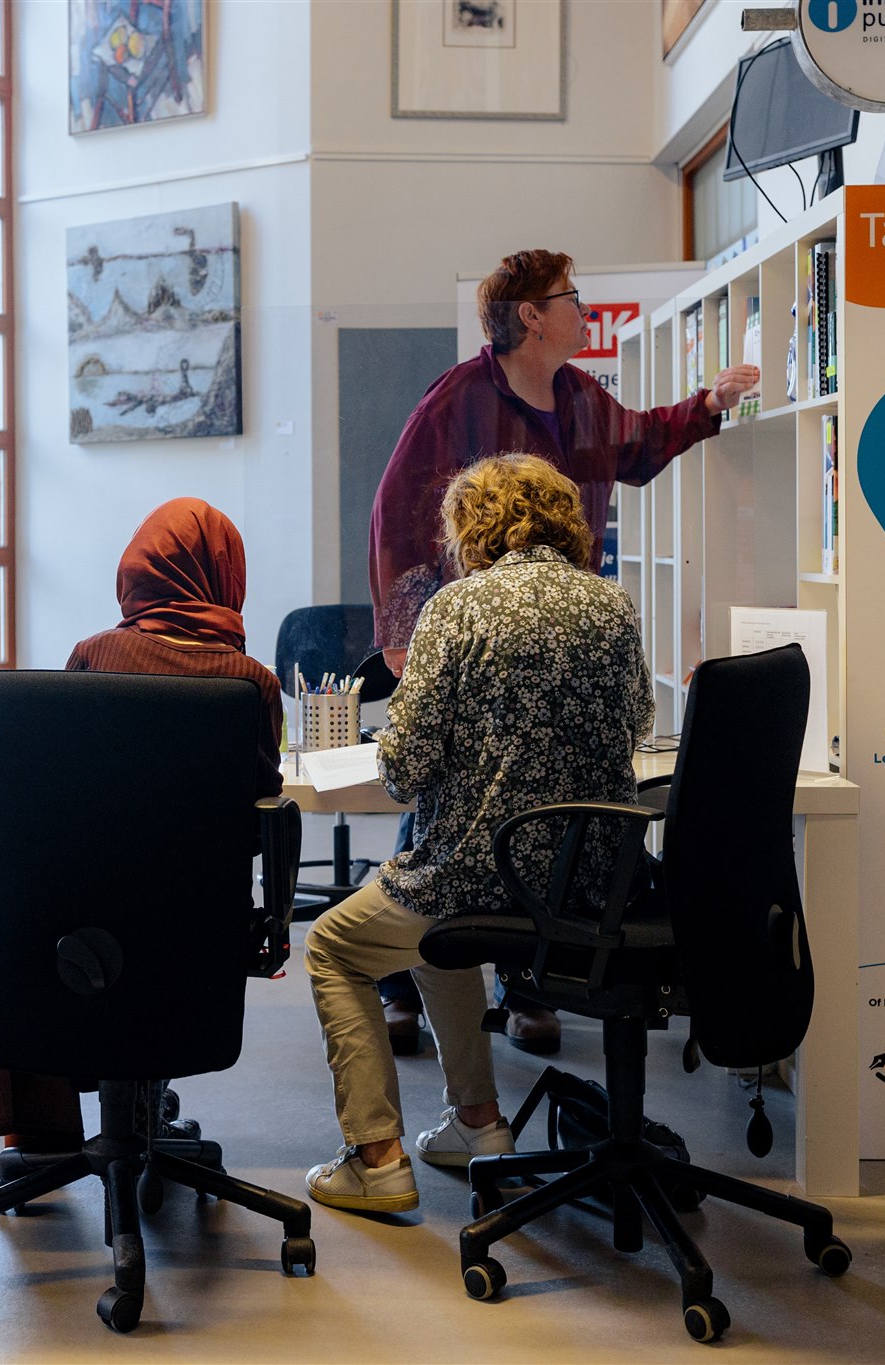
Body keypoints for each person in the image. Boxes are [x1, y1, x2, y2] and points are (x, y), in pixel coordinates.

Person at [368, 249, 757, 1056]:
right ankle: (406, 974)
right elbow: (399, 513)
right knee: (453, 794)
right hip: (474, 630)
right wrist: (418, 635)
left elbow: (641, 446)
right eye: (571, 299)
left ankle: (523, 980)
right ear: (531, 318)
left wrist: (711, 403)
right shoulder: (456, 402)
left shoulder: (579, 395)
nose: (585, 309)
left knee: (537, 793)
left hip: (557, 623)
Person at [305, 454, 655, 1214]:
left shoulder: (455, 611)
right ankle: (478, 1124)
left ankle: (376, 1157)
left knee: (335, 944)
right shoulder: (614, 607)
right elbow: (637, 729)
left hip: (476, 876)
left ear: (473, 530)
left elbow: (403, 768)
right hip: (589, 890)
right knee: (434, 939)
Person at [0, 496, 284, 1153]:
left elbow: (58, 794)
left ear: (136, 572)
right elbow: (257, 814)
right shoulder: (248, 682)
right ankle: (129, 1109)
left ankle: (43, 1119)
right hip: (191, 926)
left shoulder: (92, 654)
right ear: (227, 574)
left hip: (71, 920)